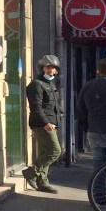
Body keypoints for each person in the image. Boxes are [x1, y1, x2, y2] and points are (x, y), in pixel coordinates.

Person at [22, 54, 63, 193]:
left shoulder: (50, 84)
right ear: (42, 68)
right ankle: (32, 172)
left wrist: (60, 115)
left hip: (51, 123)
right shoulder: (36, 84)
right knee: (55, 151)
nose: (51, 71)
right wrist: (46, 122)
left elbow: (54, 104)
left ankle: (43, 183)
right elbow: (36, 106)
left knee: (45, 152)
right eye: (48, 67)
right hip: (42, 124)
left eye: (53, 68)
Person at [77, 57, 106, 174]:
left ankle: (97, 191)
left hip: (94, 131)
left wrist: (87, 127)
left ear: (98, 70)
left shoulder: (88, 86)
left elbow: (80, 109)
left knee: (97, 164)